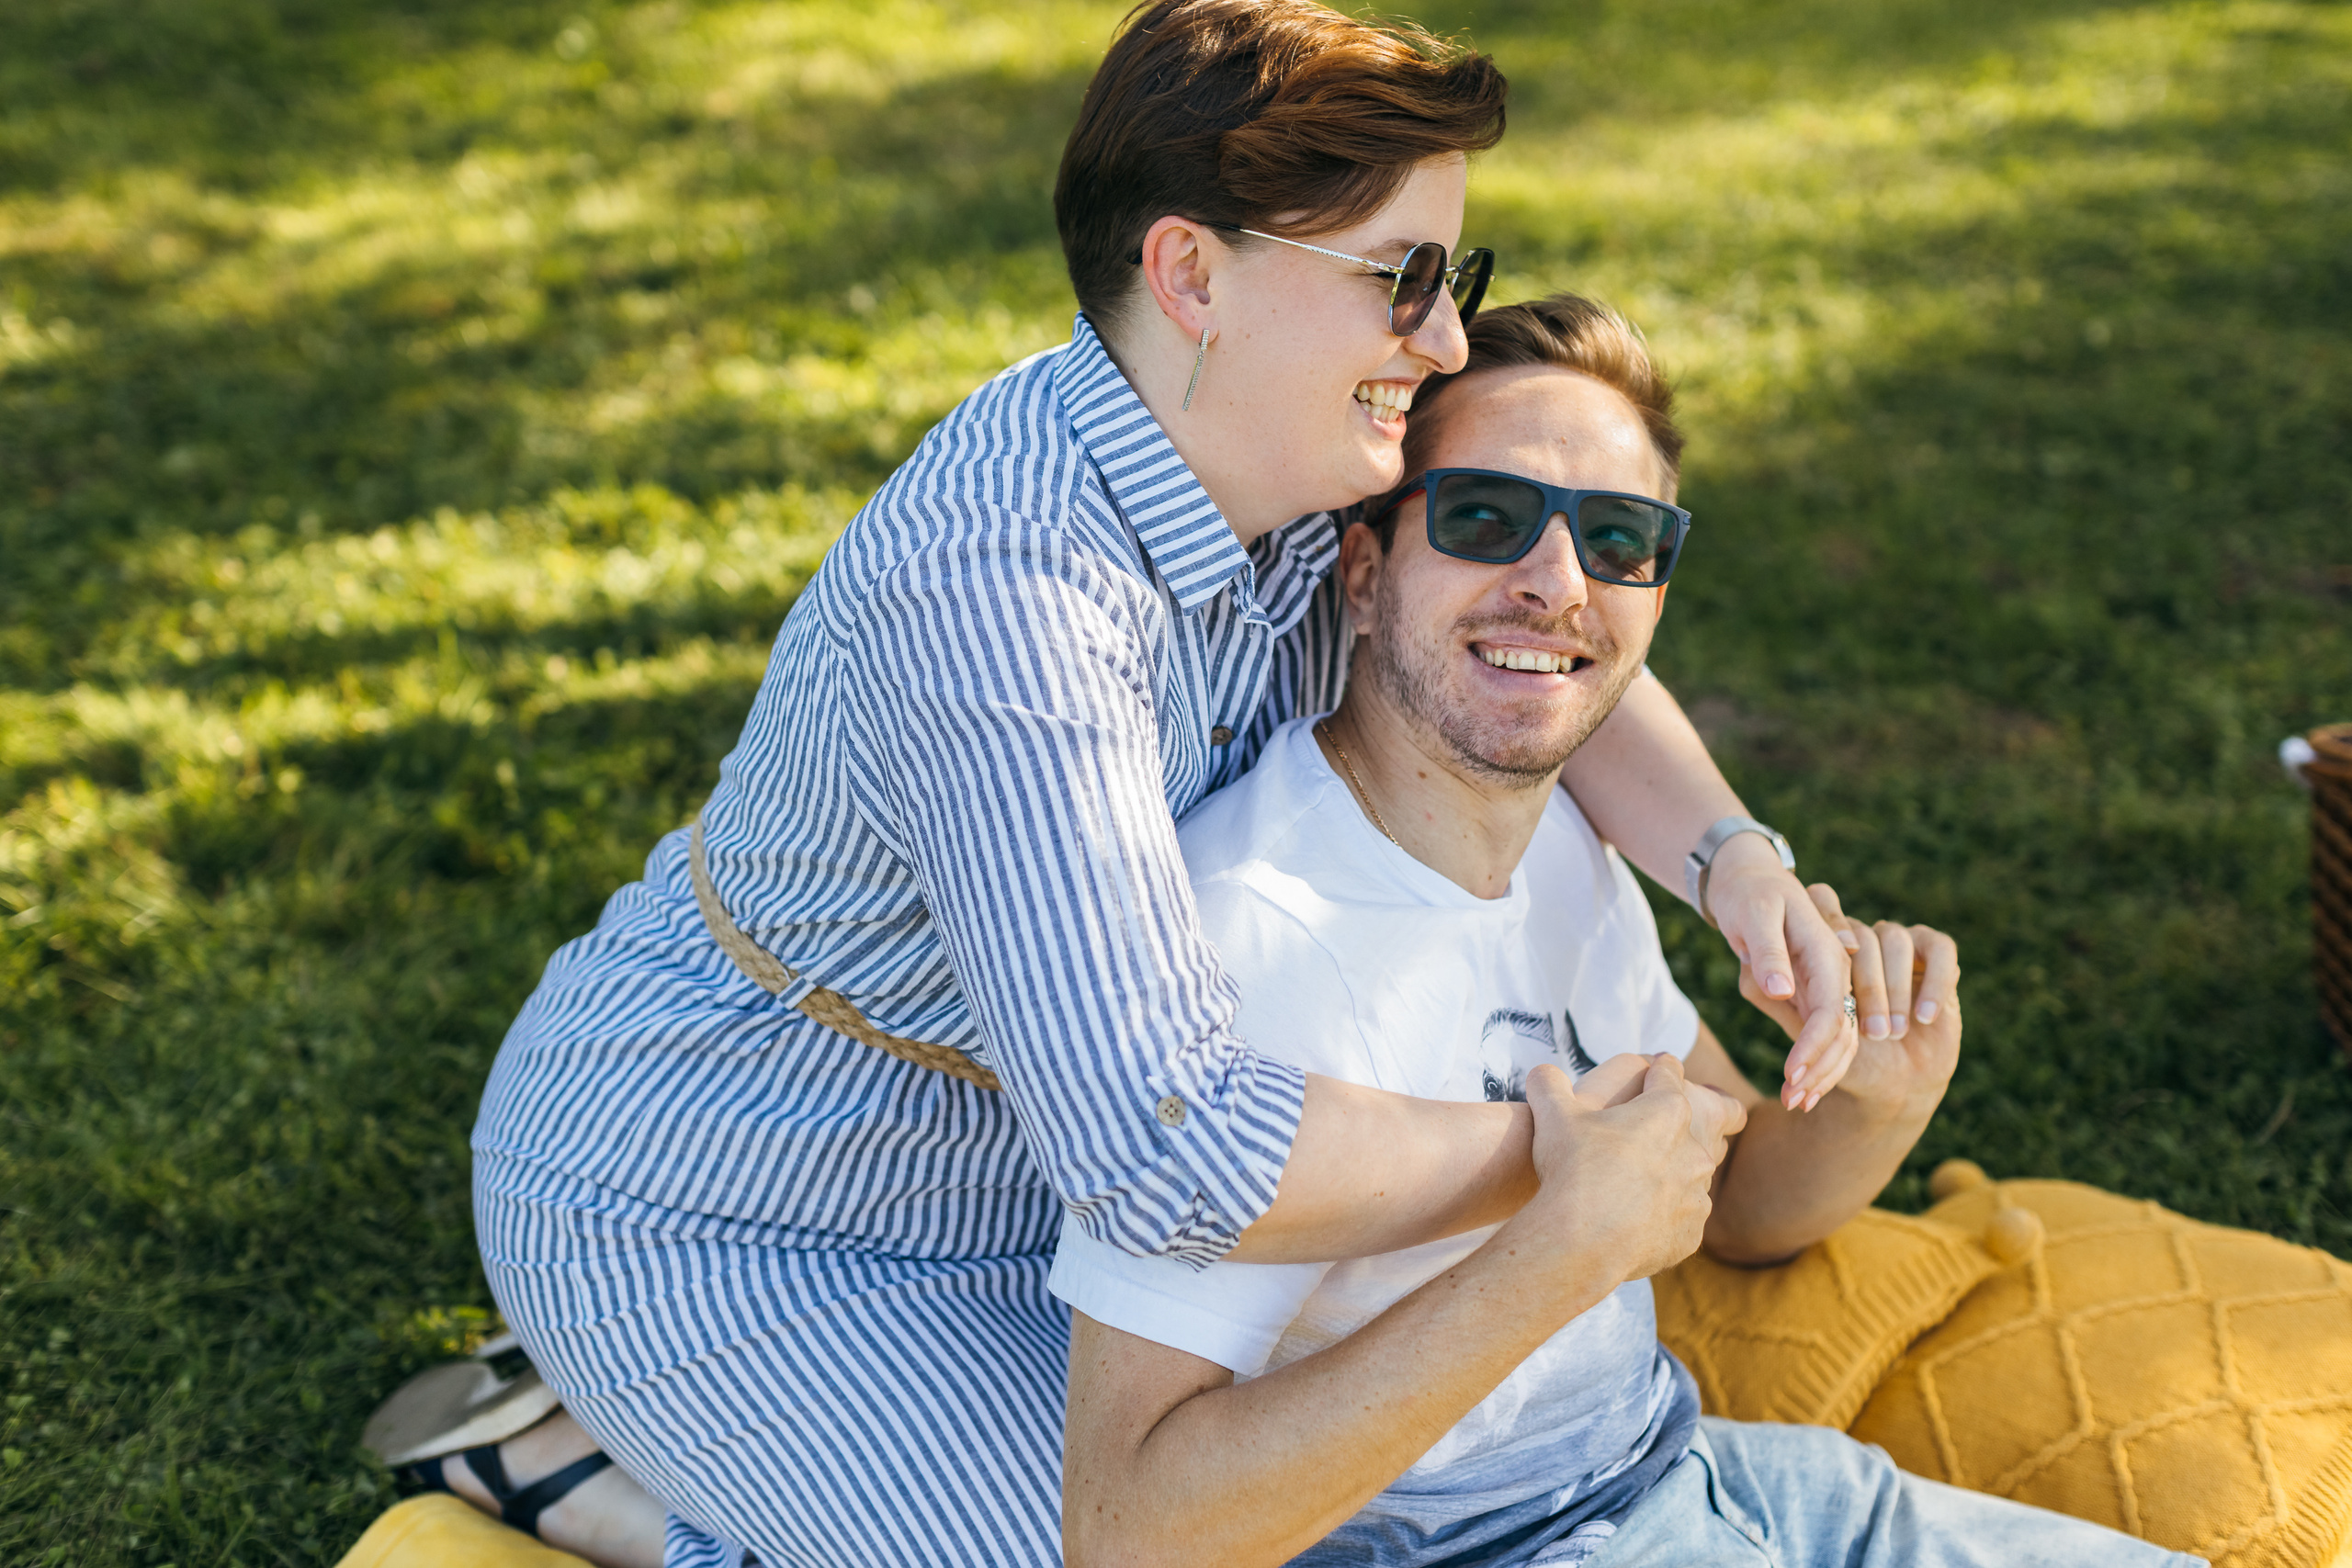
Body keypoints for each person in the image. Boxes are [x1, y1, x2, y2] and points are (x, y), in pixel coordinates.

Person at [371, 5, 1871, 1565]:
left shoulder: (1271, 439)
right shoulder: (1008, 606)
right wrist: (1566, 1152)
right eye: (1403, 282)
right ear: (1192, 276)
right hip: (738, 1212)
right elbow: (1170, 1150)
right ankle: (599, 1468)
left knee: (1285, 1510)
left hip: (1033, 1196)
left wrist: (1730, 860)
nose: (1438, 341)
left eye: (1455, 281)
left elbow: (1517, 618)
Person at [1051, 293, 2200, 1568]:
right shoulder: (1257, 935)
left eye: (1617, 538)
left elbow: (1739, 1203)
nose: (1556, 585)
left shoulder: (1559, 846)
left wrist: (1877, 1094)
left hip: (1698, 1476)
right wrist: (1557, 1250)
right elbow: (1131, 1528)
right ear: (1366, 574)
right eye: (1486, 520)